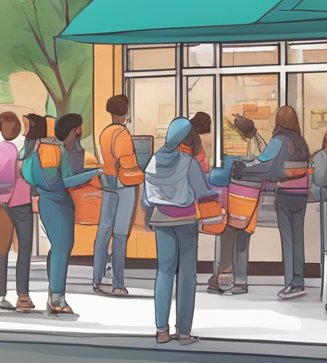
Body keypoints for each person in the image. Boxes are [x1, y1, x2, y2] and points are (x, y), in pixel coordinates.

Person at [142, 116, 214, 345]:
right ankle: (183, 332)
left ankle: (161, 331)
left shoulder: (154, 160)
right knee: (186, 275)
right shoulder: (189, 162)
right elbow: (202, 192)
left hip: (161, 220)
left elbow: (146, 199)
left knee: (164, 272)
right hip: (186, 221)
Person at [22, 113, 99, 318]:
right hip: (57, 203)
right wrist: (94, 173)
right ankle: (57, 298)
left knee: (58, 248)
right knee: (63, 249)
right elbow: (62, 182)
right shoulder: (51, 150)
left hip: (52, 202)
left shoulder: (39, 148)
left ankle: (54, 294)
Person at [237, 106, 311, 300]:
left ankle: (289, 284)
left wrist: (243, 167)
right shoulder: (301, 141)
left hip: (285, 194)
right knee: (298, 239)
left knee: (287, 240)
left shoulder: (279, 140)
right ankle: (299, 281)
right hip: (302, 195)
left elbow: (263, 160)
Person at [208, 115, 266, 296]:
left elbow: (216, 177)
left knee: (225, 238)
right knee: (242, 240)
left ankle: (221, 279)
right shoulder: (260, 146)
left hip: (233, 200)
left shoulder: (230, 155)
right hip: (250, 201)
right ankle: (240, 281)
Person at [93, 95, 138, 297]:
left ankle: (97, 278)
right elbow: (127, 163)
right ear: (126, 111)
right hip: (124, 187)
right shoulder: (122, 133)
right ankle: (118, 283)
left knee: (103, 233)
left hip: (108, 186)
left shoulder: (104, 133)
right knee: (120, 236)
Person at [0, 112, 34, 312]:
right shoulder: (25, 148)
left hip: (1, 203)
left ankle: (1, 294)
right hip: (21, 202)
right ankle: (23, 295)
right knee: (24, 249)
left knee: (1, 251)